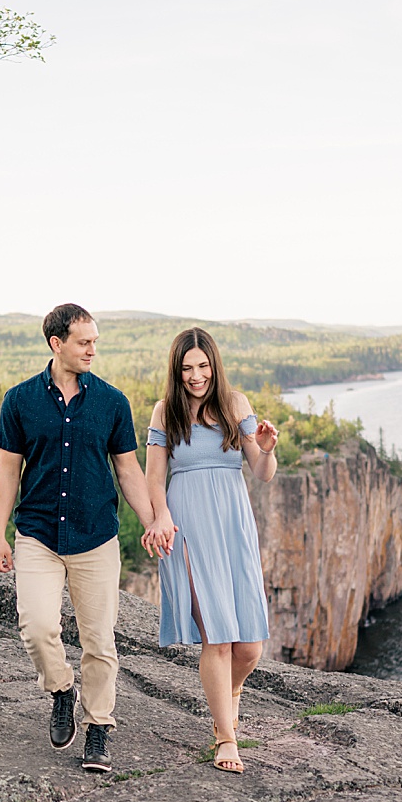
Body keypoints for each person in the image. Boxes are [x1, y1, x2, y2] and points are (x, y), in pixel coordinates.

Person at [0, 306, 162, 775]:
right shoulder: (20, 400)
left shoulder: (111, 402)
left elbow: (128, 469)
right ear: (56, 343)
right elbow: (8, 472)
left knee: (99, 640)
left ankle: (99, 726)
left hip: (95, 537)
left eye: (95, 341)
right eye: (84, 342)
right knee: (37, 625)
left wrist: (151, 521)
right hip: (38, 534)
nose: (92, 350)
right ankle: (61, 690)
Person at [143, 328, 279, 774]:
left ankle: (230, 693)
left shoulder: (235, 404)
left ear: (214, 365)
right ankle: (226, 737)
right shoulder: (166, 411)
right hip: (189, 526)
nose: (196, 376)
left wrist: (266, 449)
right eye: (186, 368)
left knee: (250, 648)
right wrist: (160, 517)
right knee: (217, 638)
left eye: (202, 366)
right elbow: (154, 478)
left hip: (234, 525)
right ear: (176, 371)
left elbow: (261, 471)